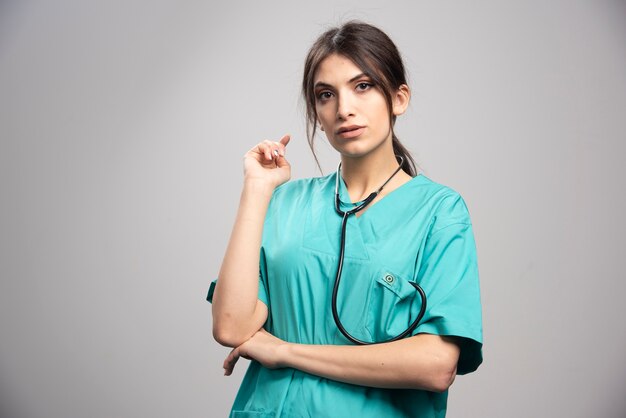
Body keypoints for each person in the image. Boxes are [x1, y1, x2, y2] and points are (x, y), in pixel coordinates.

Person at [206, 20, 483, 418]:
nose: (344, 109)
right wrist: (256, 189)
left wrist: (283, 351)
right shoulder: (285, 202)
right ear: (316, 112)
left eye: (363, 86)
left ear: (399, 98)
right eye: (325, 95)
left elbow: (436, 365)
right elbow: (231, 327)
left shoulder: (440, 212)